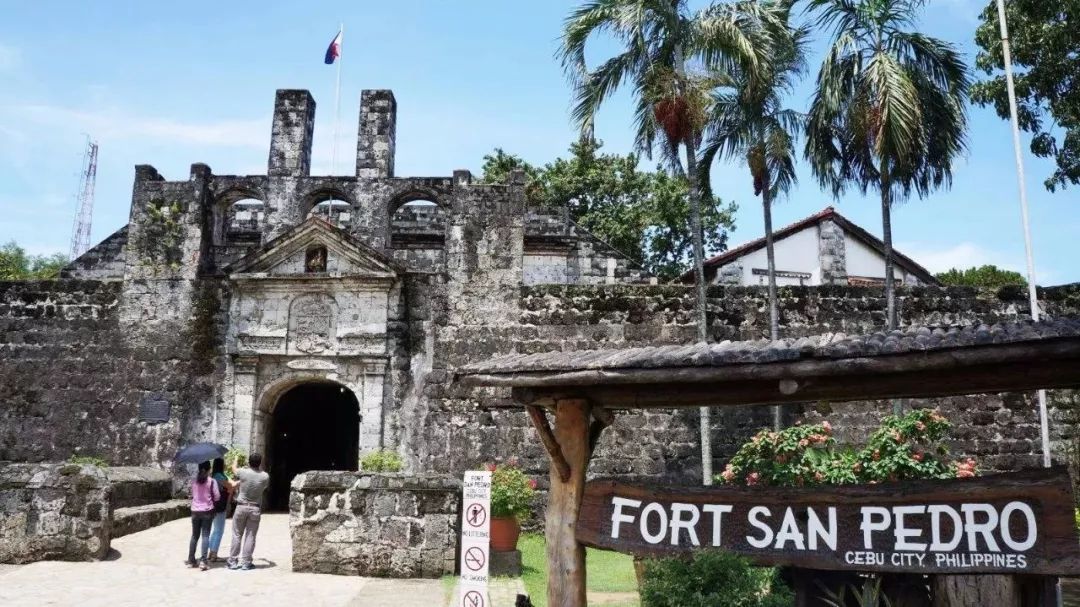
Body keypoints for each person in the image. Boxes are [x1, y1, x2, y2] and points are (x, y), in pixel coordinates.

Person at [227, 453, 269, 571]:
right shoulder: (265, 476)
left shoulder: (243, 472)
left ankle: (233, 561)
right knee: (250, 536)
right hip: (255, 508)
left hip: (241, 507)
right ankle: (246, 562)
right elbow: (263, 487)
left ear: (249, 462)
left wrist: (236, 459)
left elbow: (233, 468)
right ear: (260, 463)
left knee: (237, 534)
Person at [187, 460, 219, 571]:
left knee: (194, 536)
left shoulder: (193, 481)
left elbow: (192, 494)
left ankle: (191, 560)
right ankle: (203, 562)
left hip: (195, 511)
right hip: (207, 511)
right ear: (209, 469)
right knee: (205, 536)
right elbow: (217, 497)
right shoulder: (212, 481)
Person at [207, 458, 231, 562]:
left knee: (215, 529)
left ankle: (211, 552)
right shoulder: (219, 477)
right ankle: (214, 554)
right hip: (220, 505)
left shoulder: (213, 476)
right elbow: (230, 486)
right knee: (219, 530)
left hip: (213, 505)